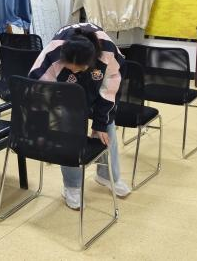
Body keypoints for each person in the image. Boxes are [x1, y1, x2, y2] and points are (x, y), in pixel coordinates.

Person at [29, 22, 130, 210]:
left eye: (80, 67)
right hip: (65, 93)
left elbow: (111, 89)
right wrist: (49, 126)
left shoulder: (108, 53)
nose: (74, 70)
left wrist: (100, 123)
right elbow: (37, 89)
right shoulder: (53, 54)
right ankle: (72, 187)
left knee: (107, 127)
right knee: (68, 131)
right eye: (70, 66)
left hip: (98, 86)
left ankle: (107, 176)